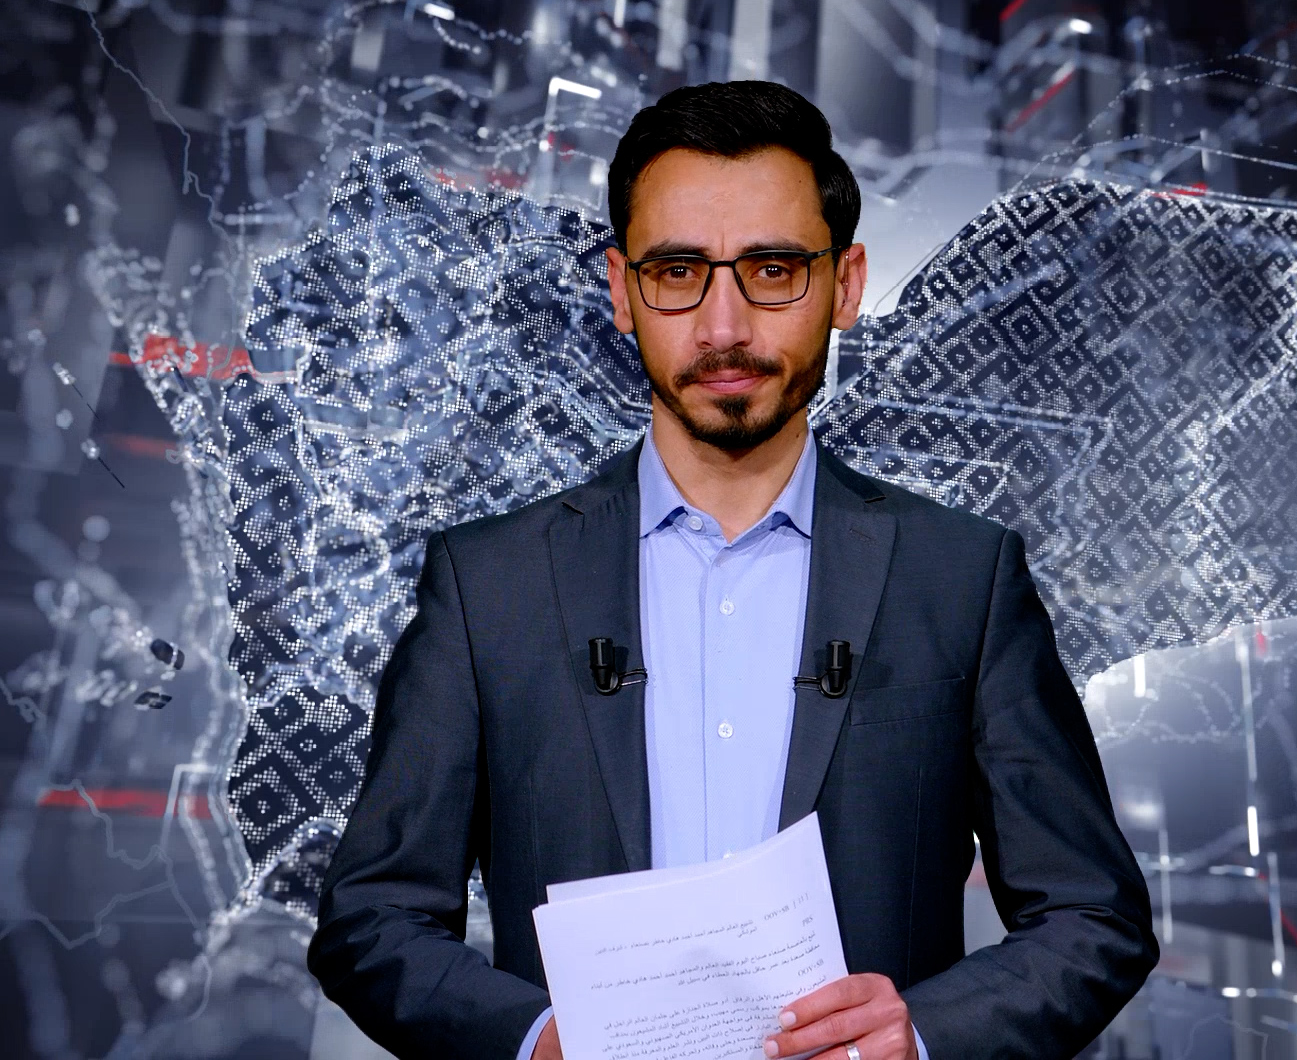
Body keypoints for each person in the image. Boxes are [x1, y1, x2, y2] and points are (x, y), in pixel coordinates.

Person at [308, 79, 1157, 1060]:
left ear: (845, 285)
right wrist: (535, 1040)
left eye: (773, 269)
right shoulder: (486, 585)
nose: (723, 327)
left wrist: (921, 1036)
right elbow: (372, 920)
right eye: (677, 272)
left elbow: (1093, 916)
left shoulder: (963, 578)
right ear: (621, 291)